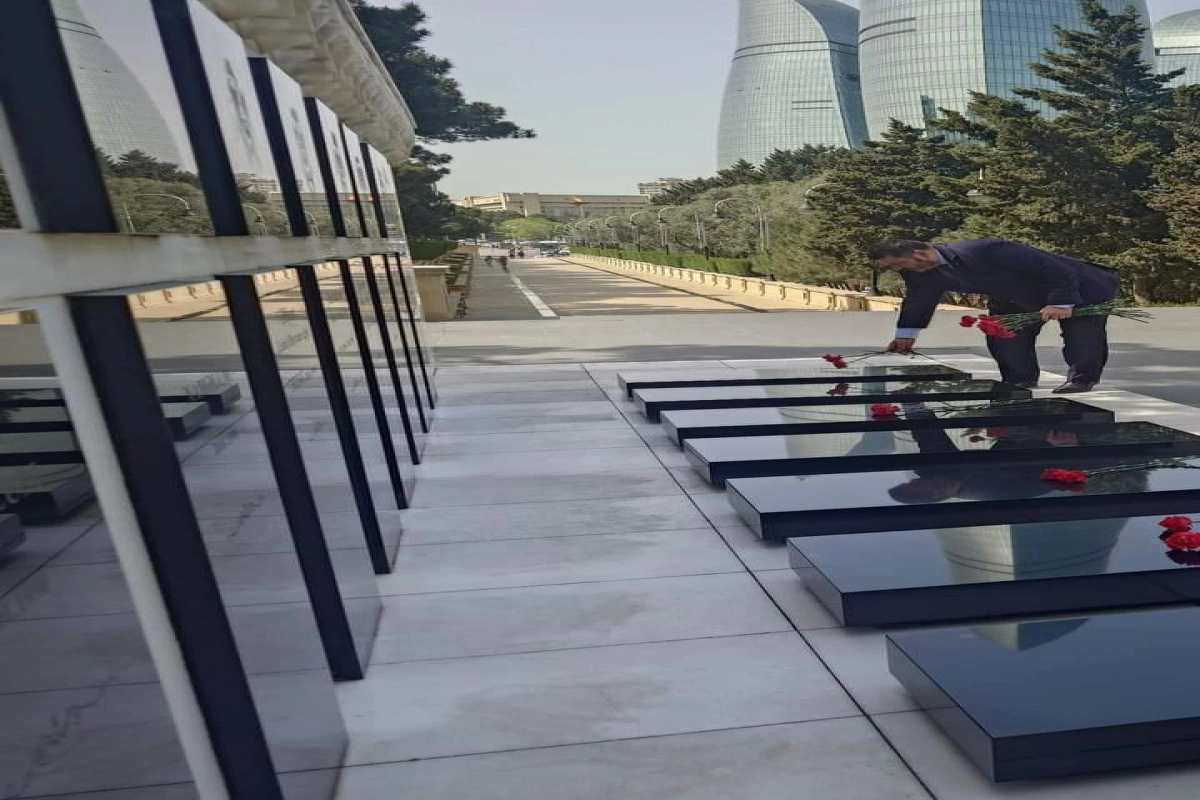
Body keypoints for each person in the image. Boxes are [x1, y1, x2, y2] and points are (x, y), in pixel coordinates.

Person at [868, 239, 1121, 394]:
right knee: (1003, 336)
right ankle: (1020, 381)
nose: (896, 270)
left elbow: (1055, 269)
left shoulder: (987, 249)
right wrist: (906, 334)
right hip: (1012, 297)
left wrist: (1060, 302)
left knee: (1082, 337)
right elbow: (919, 299)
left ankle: (1081, 381)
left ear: (920, 254)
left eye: (896, 264)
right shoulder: (918, 272)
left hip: (1080, 287)